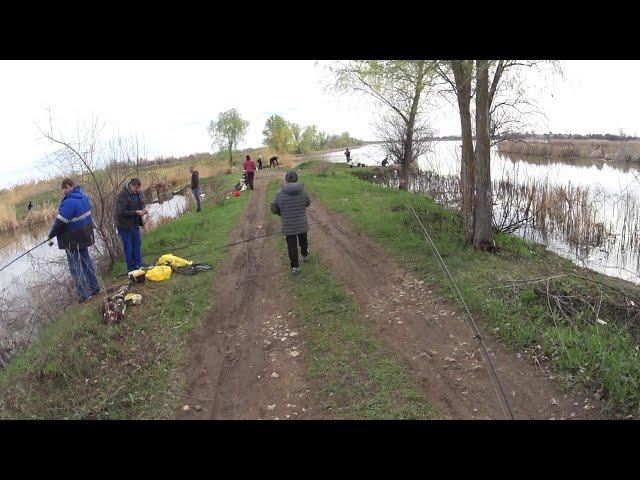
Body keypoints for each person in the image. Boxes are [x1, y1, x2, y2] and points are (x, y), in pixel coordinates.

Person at [47, 178, 101, 303]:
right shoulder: (84, 196)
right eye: (63, 189)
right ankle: (96, 288)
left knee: (76, 268)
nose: (65, 191)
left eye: (66, 188)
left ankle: (84, 295)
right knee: (87, 263)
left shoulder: (69, 202)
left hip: (72, 240)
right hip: (84, 236)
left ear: (71, 186)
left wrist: (50, 235)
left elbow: (60, 222)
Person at [271, 171, 311, 274]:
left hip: (288, 225)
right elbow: (307, 203)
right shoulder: (303, 191)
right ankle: (305, 255)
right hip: (302, 222)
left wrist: (281, 213)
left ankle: (295, 267)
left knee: (291, 246)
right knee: (303, 240)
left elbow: (274, 208)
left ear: (286, 179)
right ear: (297, 179)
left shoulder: (279, 193)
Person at [116, 178, 148, 272]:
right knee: (128, 247)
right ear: (131, 185)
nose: (137, 190)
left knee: (137, 244)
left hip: (134, 223)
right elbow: (121, 212)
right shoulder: (123, 195)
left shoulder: (137, 193)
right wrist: (136, 212)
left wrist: (143, 209)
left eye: (138, 188)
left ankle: (138, 264)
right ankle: (131, 268)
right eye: (136, 188)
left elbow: (141, 202)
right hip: (124, 226)